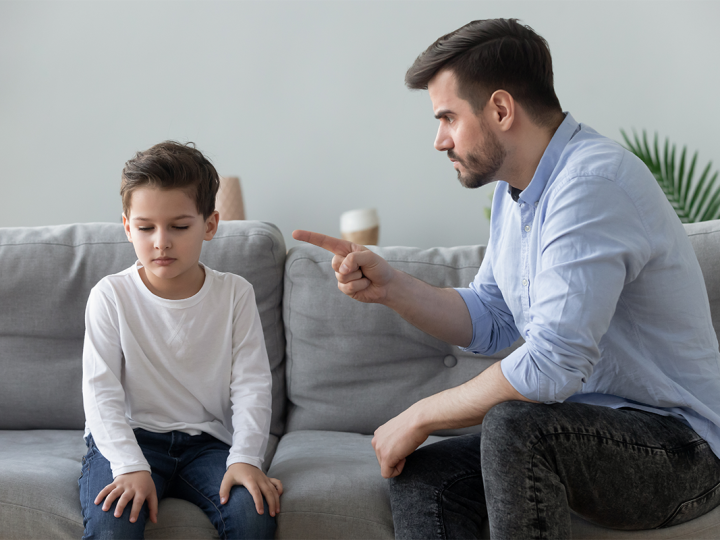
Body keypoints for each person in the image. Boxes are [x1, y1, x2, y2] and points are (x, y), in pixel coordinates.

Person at [293, 18, 720, 539]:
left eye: (448, 117)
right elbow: (494, 319)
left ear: (500, 109)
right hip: (582, 435)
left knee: (515, 427)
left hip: (679, 451)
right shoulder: (514, 193)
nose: (438, 140)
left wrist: (421, 415)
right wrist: (392, 287)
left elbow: (551, 365)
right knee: (430, 475)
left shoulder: (592, 184)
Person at [79, 141, 281, 540]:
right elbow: (100, 392)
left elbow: (253, 385)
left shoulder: (234, 293)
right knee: (111, 525)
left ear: (210, 224)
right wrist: (128, 465)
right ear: (126, 226)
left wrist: (245, 458)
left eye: (179, 226)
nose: (161, 242)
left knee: (253, 516)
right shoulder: (110, 295)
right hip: (130, 437)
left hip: (207, 445)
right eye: (145, 227)